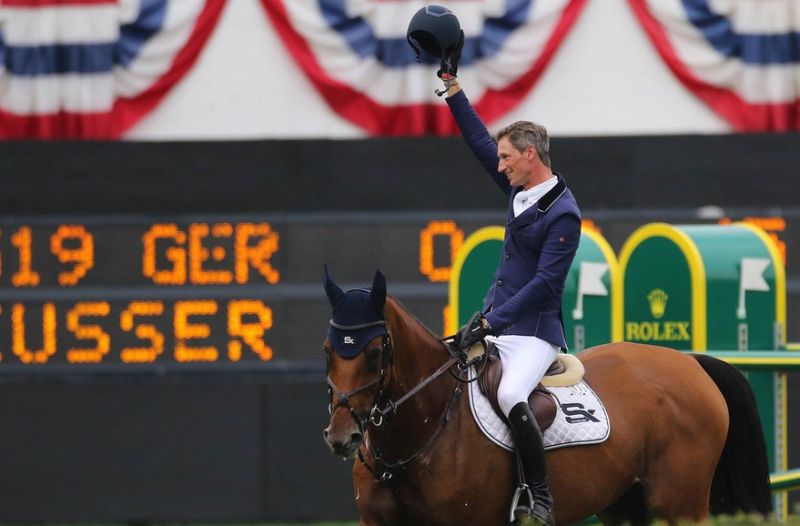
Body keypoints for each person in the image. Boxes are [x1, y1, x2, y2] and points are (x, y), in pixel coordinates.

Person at [444, 76, 582, 526]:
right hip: (499, 324)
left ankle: (539, 496)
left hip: (535, 334)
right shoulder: (520, 190)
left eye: (507, 158)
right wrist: (453, 90)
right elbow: (479, 143)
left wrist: (490, 322)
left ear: (530, 155)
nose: (499, 166)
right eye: (501, 158)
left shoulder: (564, 213)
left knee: (508, 392)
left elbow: (544, 284)